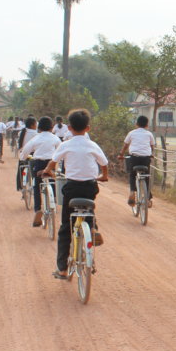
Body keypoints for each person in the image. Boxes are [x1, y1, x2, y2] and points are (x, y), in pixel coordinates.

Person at [40, 109, 109, 279]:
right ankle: (92, 228)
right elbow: (104, 163)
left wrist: (48, 171)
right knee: (88, 206)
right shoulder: (93, 145)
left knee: (65, 228)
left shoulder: (66, 144)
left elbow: (53, 162)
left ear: (69, 128)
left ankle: (62, 269)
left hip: (71, 188)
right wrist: (104, 176)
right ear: (88, 128)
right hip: (90, 186)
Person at [20, 116, 62, 226]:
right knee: (52, 181)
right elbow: (61, 150)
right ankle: (54, 201)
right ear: (52, 127)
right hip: (51, 163)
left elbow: (25, 152)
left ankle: (38, 209)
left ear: (39, 127)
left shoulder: (36, 138)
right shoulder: (55, 138)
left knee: (37, 185)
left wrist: (23, 157)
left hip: (38, 164)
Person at [118, 115, 154, 208]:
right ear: (147, 125)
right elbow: (152, 147)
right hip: (146, 158)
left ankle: (131, 192)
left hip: (134, 158)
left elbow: (125, 145)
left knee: (132, 174)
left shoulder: (131, 133)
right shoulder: (149, 134)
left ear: (136, 124)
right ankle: (148, 198)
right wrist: (151, 154)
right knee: (147, 176)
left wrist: (121, 155)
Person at [15, 117, 37, 191]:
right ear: (32, 125)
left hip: (23, 155)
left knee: (20, 169)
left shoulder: (22, 132)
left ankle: (20, 186)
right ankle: (35, 184)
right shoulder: (35, 133)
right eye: (35, 124)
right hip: (33, 155)